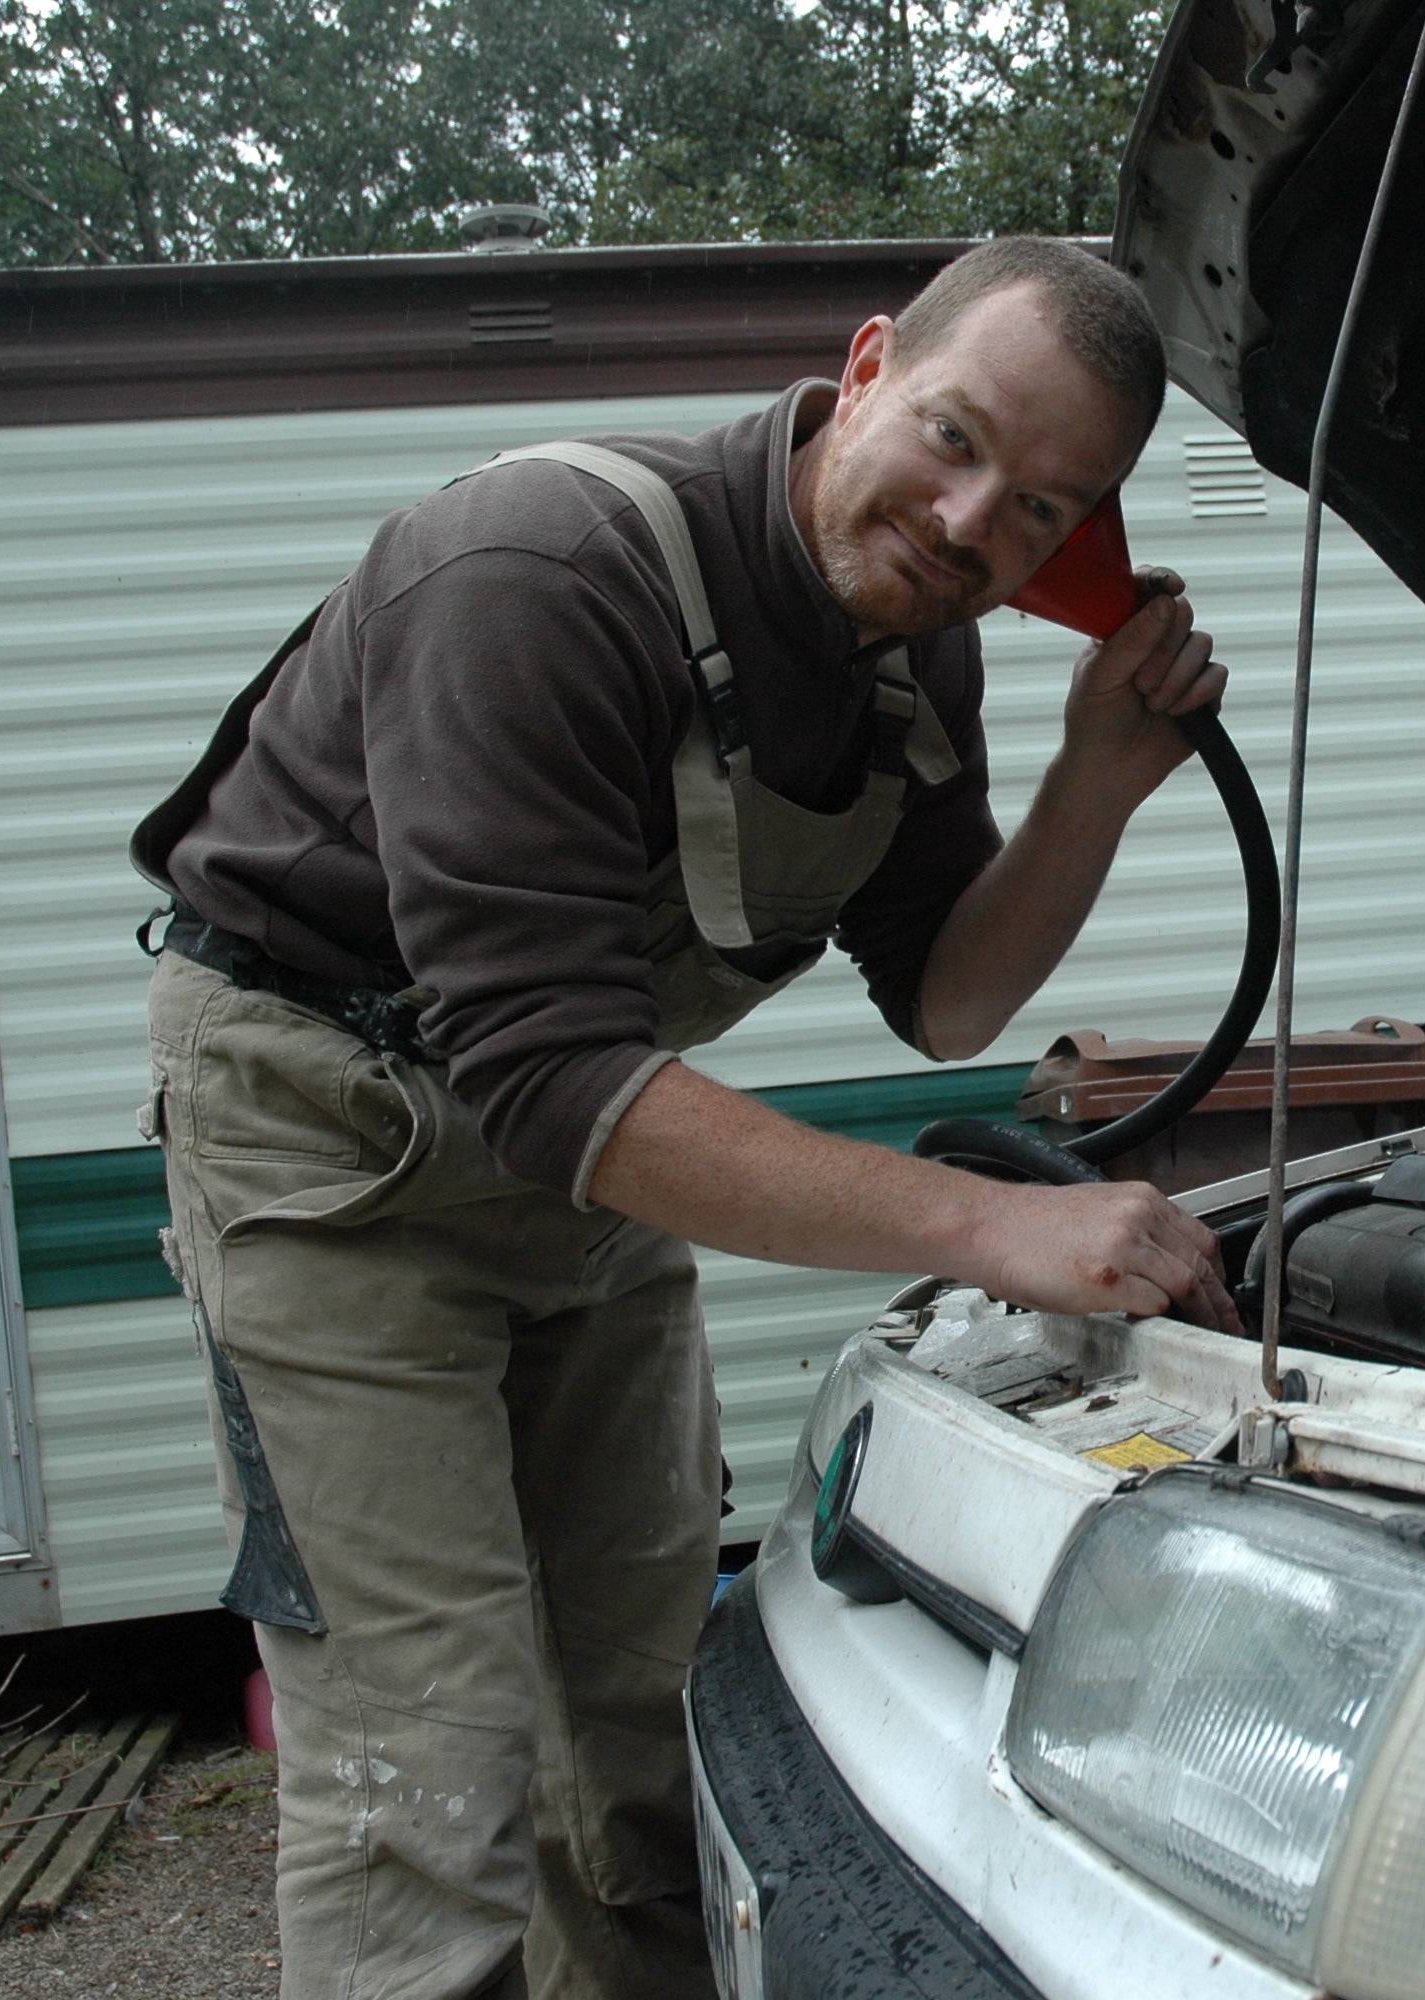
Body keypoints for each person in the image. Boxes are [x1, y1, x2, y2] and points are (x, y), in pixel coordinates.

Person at [128, 236, 1237, 1999]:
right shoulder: (540, 571)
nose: (969, 527)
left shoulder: (914, 666)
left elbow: (947, 995)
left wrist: (1095, 778)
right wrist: (998, 1226)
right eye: (952, 440)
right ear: (866, 367)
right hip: (330, 1138)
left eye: (1038, 511)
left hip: (578, 1154)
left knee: (645, 1711)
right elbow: (548, 1067)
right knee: (428, 1749)